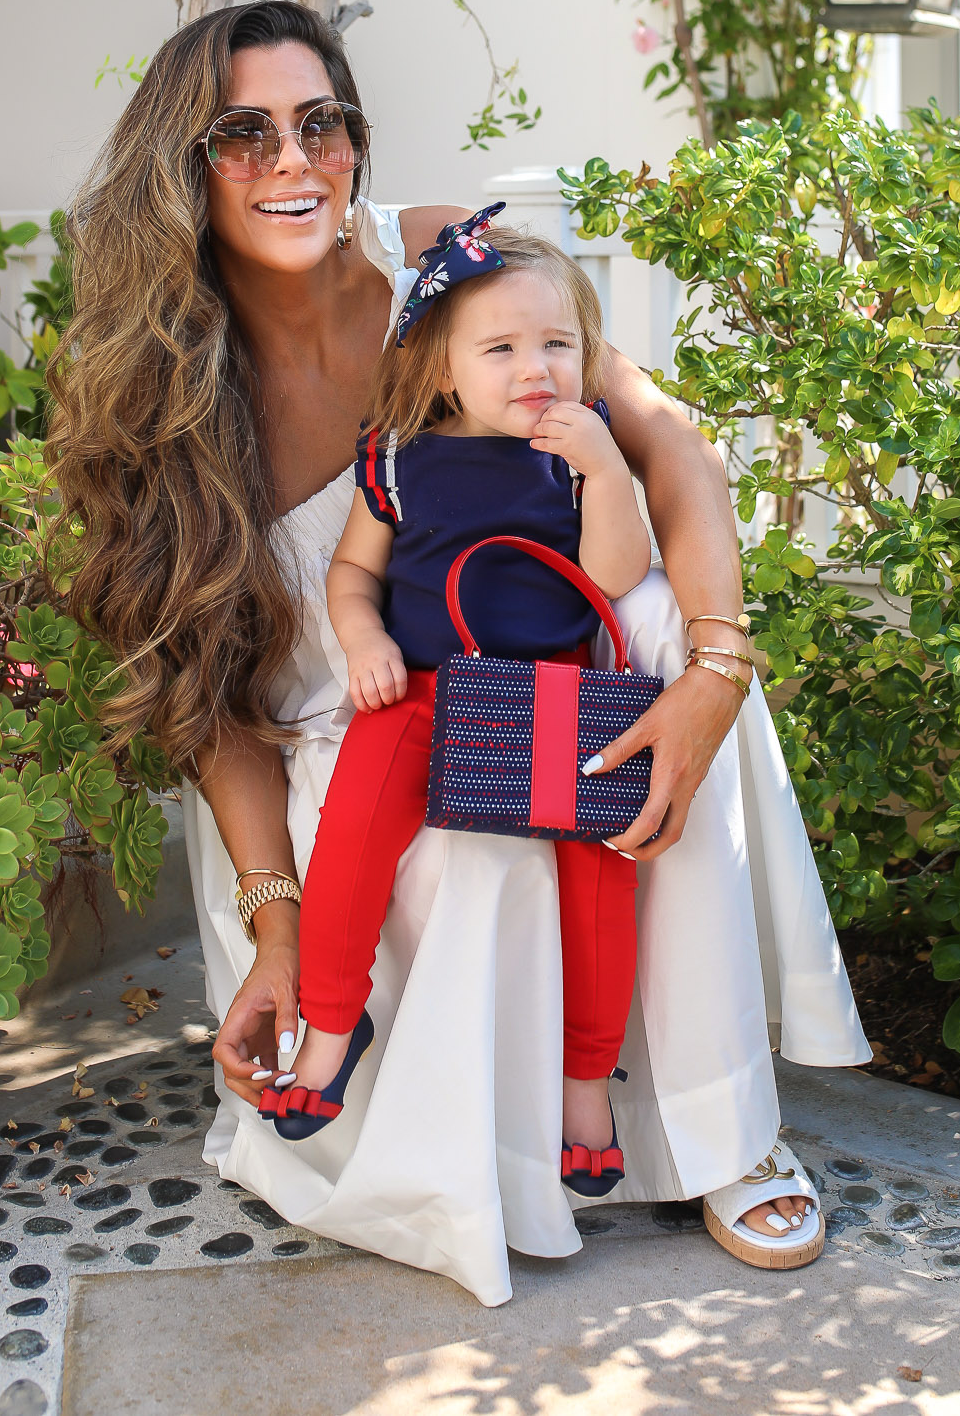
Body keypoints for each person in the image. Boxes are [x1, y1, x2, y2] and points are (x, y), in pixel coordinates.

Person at [50, 0, 869, 1308]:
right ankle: (470, 1103)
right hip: (333, 729)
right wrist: (272, 917)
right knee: (456, 821)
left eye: (324, 121)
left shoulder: (449, 264)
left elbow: (668, 444)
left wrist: (716, 667)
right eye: (243, 133)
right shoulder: (164, 397)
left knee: (656, 627)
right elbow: (208, 707)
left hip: (521, 648)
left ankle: (720, 1125)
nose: (294, 159)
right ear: (184, 166)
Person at [262, 215, 651, 1197]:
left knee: (602, 871)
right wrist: (365, 640)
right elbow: (353, 571)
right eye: (503, 348)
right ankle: (333, 1022)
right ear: (443, 368)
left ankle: (585, 1080)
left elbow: (617, 573)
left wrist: (605, 470)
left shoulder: (575, 456)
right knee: (352, 833)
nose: (536, 369)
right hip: (426, 691)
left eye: (558, 344)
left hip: (553, 699)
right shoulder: (401, 457)